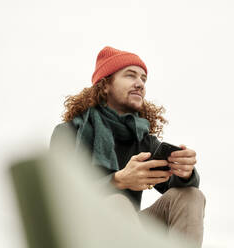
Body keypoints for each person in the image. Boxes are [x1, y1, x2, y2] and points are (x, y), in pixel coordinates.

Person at [50, 46, 206, 247]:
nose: (140, 84)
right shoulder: (68, 133)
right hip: (79, 233)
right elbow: (56, 196)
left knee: (190, 194)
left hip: (129, 231)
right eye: (131, 76)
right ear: (105, 85)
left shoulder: (144, 140)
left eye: (143, 79)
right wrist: (117, 181)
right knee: (117, 203)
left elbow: (177, 186)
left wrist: (184, 172)